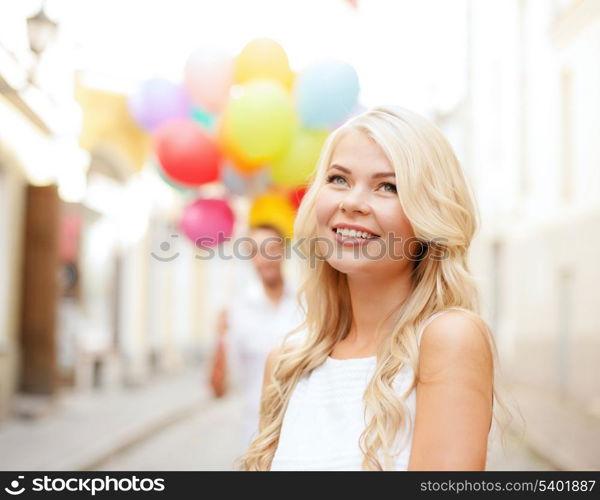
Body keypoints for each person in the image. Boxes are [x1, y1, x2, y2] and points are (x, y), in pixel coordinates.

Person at [239, 106, 511, 471]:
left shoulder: (448, 340)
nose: (351, 203)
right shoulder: (285, 364)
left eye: (388, 186)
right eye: (338, 179)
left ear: (428, 217)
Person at [209, 224, 304, 447]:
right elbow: (218, 389)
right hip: (256, 433)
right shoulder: (237, 312)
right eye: (256, 250)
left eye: (271, 248)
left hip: (304, 429)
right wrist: (220, 341)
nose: (265, 257)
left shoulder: (309, 303)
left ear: (284, 250)